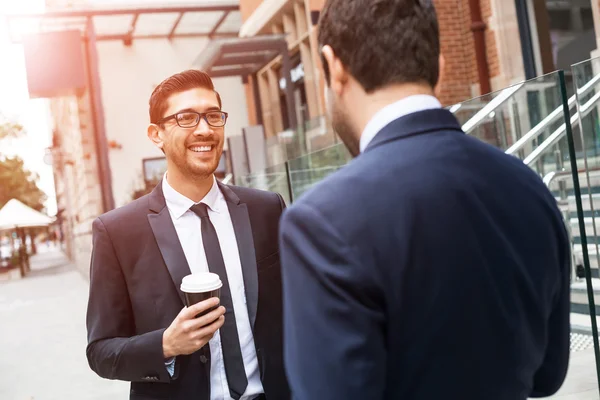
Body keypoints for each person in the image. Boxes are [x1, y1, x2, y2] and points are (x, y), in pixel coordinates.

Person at [278, 1, 570, 399]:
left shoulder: (320, 220)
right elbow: (549, 374)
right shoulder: (527, 185)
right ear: (441, 66)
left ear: (334, 66)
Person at [86, 70, 290, 400]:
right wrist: (165, 345)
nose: (205, 129)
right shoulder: (118, 232)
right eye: (186, 118)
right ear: (157, 134)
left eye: (213, 116)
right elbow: (100, 352)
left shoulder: (266, 209)